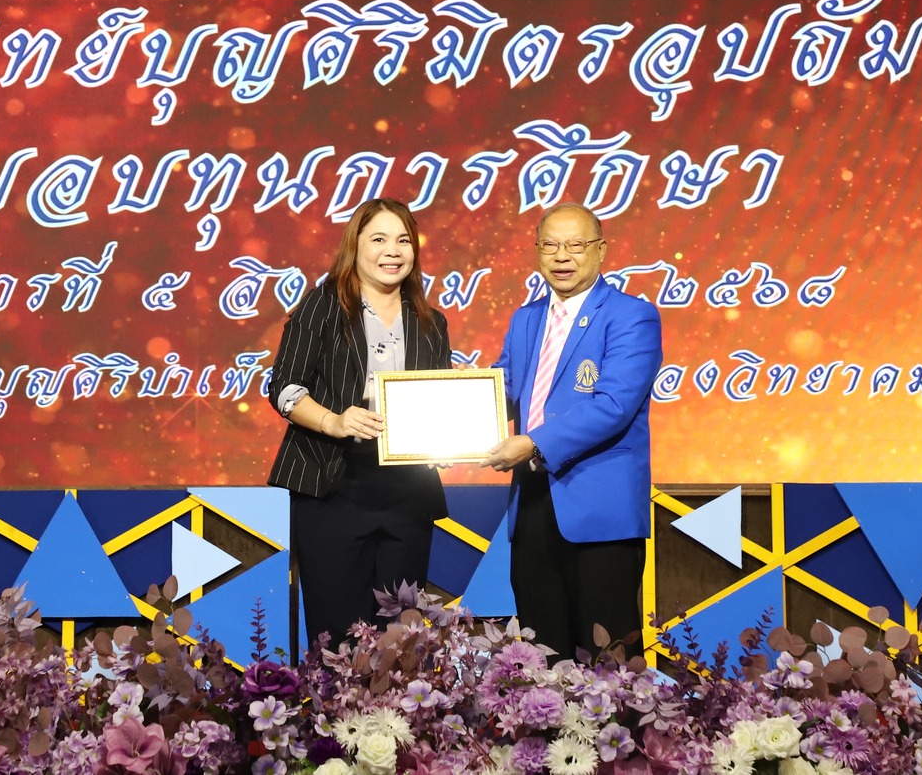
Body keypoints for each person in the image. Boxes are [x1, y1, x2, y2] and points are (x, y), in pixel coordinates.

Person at [265, 198, 451, 647]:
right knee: (337, 635)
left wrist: (452, 438)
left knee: (402, 639)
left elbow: (441, 399)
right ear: (356, 246)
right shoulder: (322, 305)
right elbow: (284, 388)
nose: (393, 251)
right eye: (379, 239)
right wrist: (333, 421)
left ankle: (396, 700)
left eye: (403, 240)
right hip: (332, 489)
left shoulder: (431, 322)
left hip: (407, 495)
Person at [485, 202, 661, 658]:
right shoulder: (525, 318)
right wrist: (456, 404)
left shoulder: (631, 316)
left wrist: (534, 443)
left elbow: (614, 405)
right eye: (550, 245)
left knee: (608, 662)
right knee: (541, 656)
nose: (562, 256)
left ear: (601, 250)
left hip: (600, 508)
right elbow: (504, 388)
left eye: (575, 245)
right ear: (536, 251)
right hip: (532, 503)